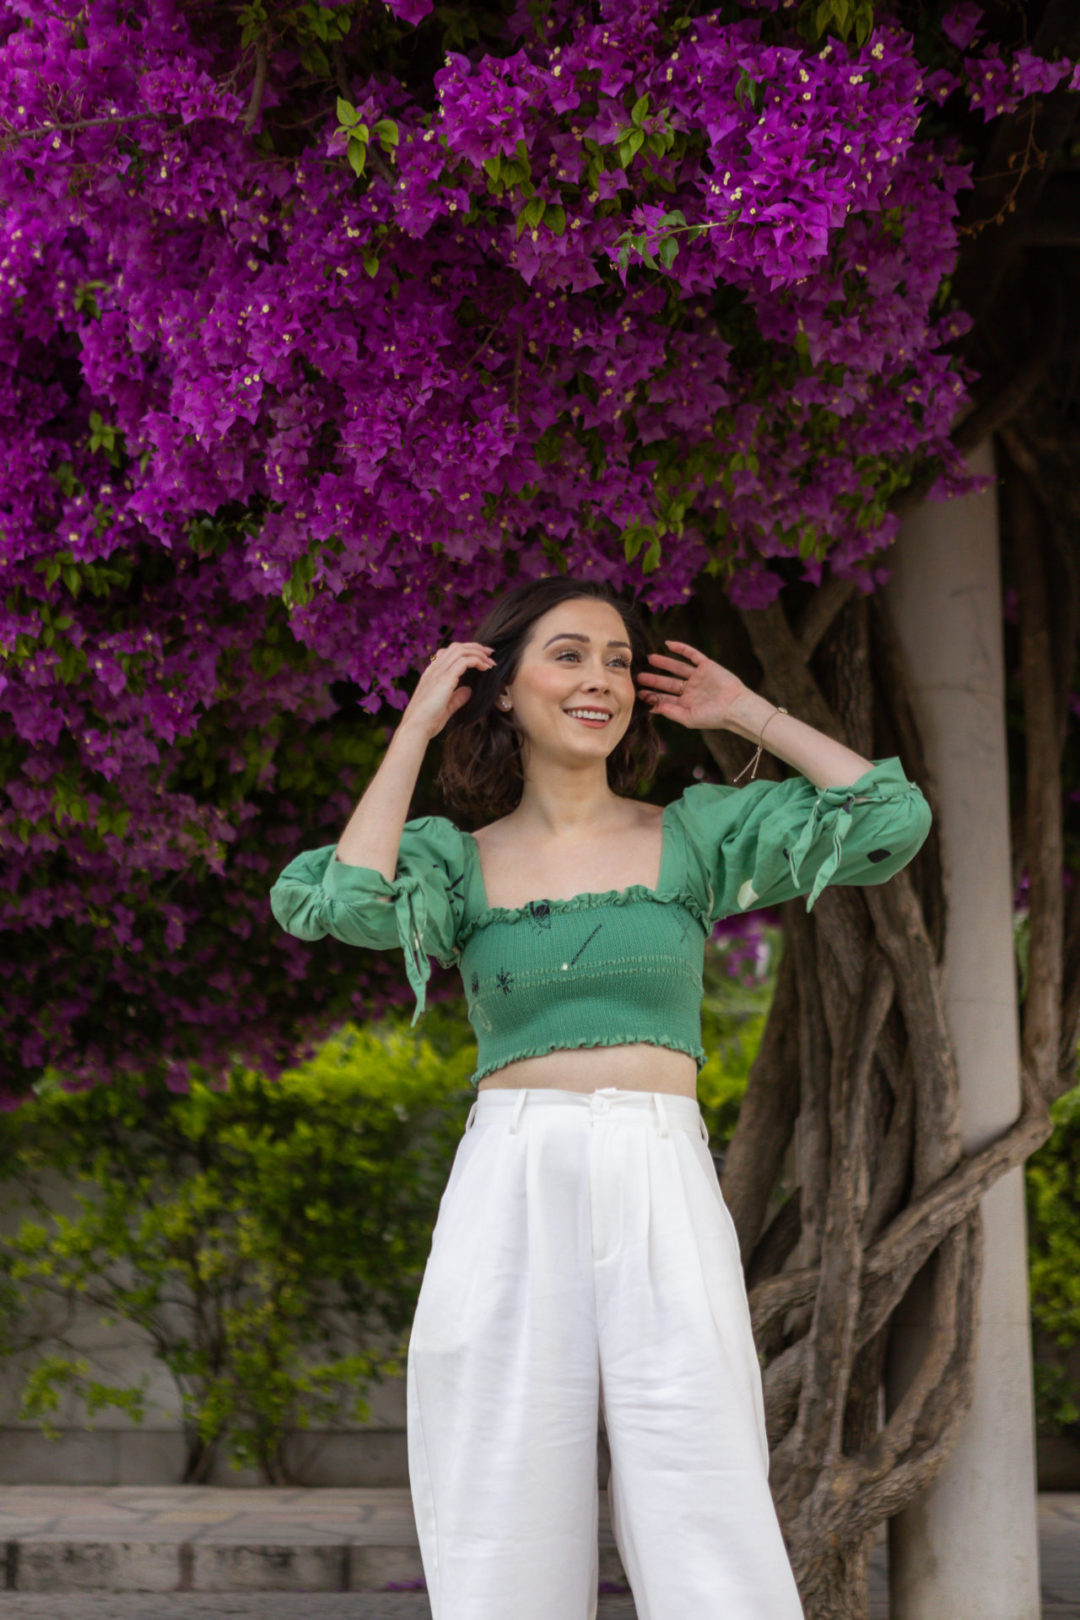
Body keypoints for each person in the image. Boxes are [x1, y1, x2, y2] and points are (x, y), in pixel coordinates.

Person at [269, 576, 933, 1620]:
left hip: (659, 1167)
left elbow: (889, 813)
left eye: (619, 659)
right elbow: (343, 900)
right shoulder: (454, 861)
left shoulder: (697, 836)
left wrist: (747, 713)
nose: (602, 680)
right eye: (570, 654)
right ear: (502, 689)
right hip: (512, 1174)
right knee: (498, 1478)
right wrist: (413, 727)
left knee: (701, 1473)